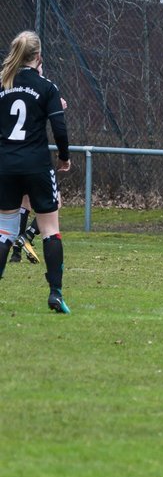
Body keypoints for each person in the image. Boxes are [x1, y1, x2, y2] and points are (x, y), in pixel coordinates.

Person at [0, 31, 72, 313]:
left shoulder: (3, 84)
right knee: (50, 230)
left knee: (4, 230)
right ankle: (55, 293)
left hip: (6, 165)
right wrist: (64, 157)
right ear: (39, 56)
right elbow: (60, 129)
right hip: (37, 165)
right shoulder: (46, 87)